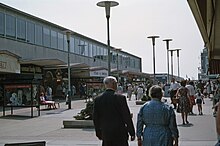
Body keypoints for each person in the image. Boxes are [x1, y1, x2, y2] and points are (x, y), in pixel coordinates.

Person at [93, 76, 135, 146]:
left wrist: (98, 132)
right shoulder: (120, 98)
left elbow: (95, 118)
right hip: (120, 133)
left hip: (106, 133)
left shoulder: (98, 99)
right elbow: (126, 116)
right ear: (113, 84)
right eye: (116, 83)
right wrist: (132, 132)